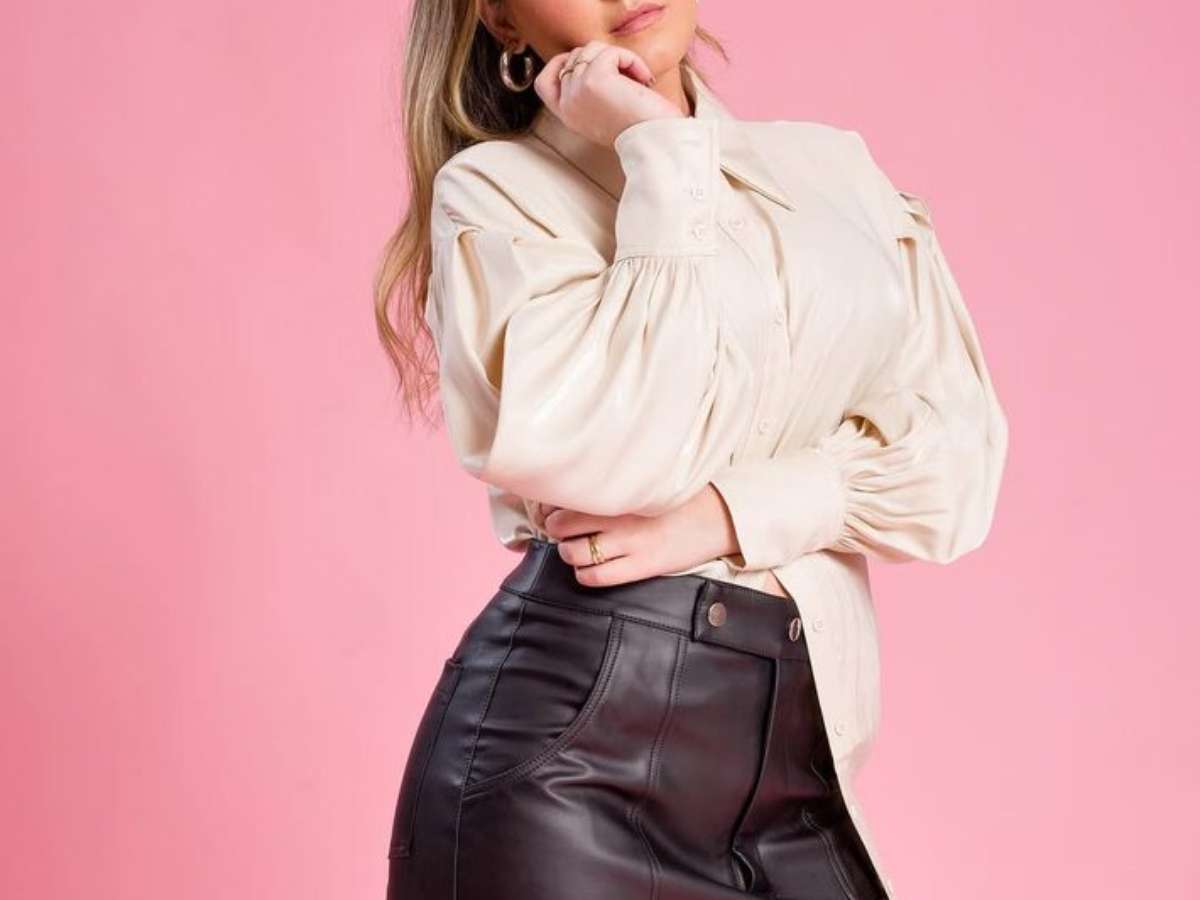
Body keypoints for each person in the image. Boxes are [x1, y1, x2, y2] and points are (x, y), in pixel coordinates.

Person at [374, 2, 1009, 898]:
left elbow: (955, 461)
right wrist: (662, 154)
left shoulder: (833, 174)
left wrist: (723, 515)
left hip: (800, 788)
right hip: (566, 779)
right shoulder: (499, 196)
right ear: (503, 21)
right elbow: (623, 452)